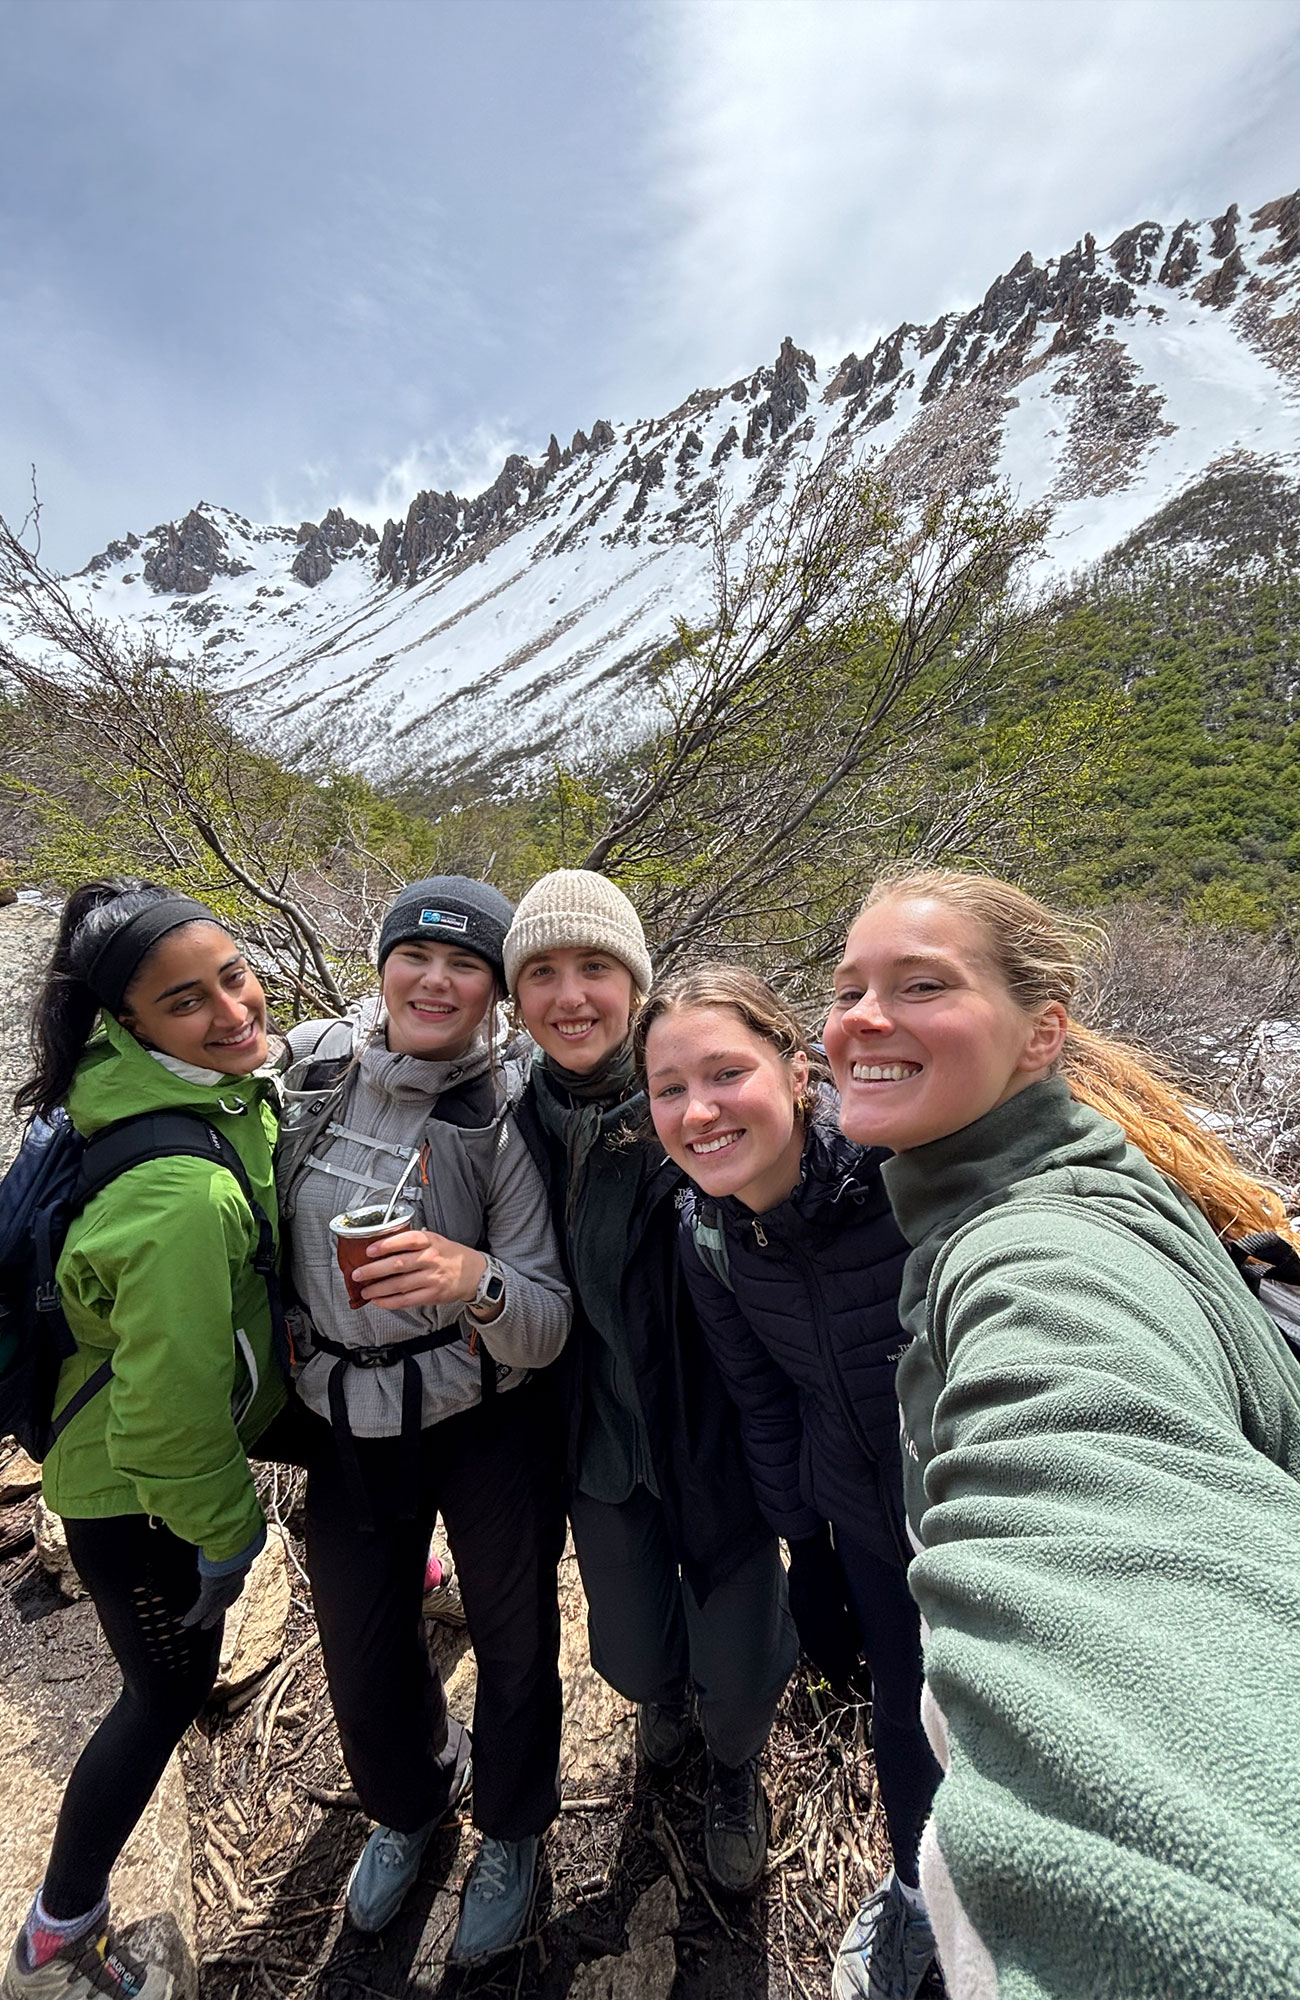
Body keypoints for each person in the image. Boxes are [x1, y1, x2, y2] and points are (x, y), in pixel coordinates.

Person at [825, 867, 1300, 2000]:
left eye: (921, 984)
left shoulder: (1032, 1255)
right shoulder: (1078, 1165)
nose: (862, 1018)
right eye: (847, 988)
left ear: (1042, 1032)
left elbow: (1101, 1518)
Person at [275, 875, 570, 1964]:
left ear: (495, 990)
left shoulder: (501, 1108)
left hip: (482, 1415)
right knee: (358, 1651)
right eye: (417, 955)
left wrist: (468, 1274)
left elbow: (544, 1321)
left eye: (466, 965)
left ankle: (512, 1829)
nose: (435, 980)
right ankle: (408, 1802)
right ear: (382, 961)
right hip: (343, 1412)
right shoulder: (310, 1069)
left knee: (514, 1634)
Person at [4, 880, 288, 2000]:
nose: (231, 1008)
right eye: (187, 1000)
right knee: (162, 1694)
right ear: (128, 1023)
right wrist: (231, 1533)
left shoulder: (170, 1097)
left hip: (133, 1460)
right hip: (134, 1496)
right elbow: (167, 1422)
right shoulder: (178, 1192)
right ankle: (53, 1937)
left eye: (233, 971)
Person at [635, 963, 942, 1999]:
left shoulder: (904, 1175)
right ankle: (913, 1893)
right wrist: (804, 1549)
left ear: (797, 1070)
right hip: (860, 1517)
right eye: (669, 1088)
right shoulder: (707, 1233)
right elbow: (764, 1399)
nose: (699, 1109)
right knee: (900, 1718)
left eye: (727, 1071)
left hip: (989, 1516)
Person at [505, 871, 797, 1896]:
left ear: (634, 982)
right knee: (629, 1655)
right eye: (542, 971)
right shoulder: (514, 1124)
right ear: (515, 998)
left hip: (717, 1440)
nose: (571, 994)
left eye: (596, 966)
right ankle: (665, 1699)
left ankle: (733, 1763)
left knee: (745, 1660)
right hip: (599, 1443)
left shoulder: (691, 1119)